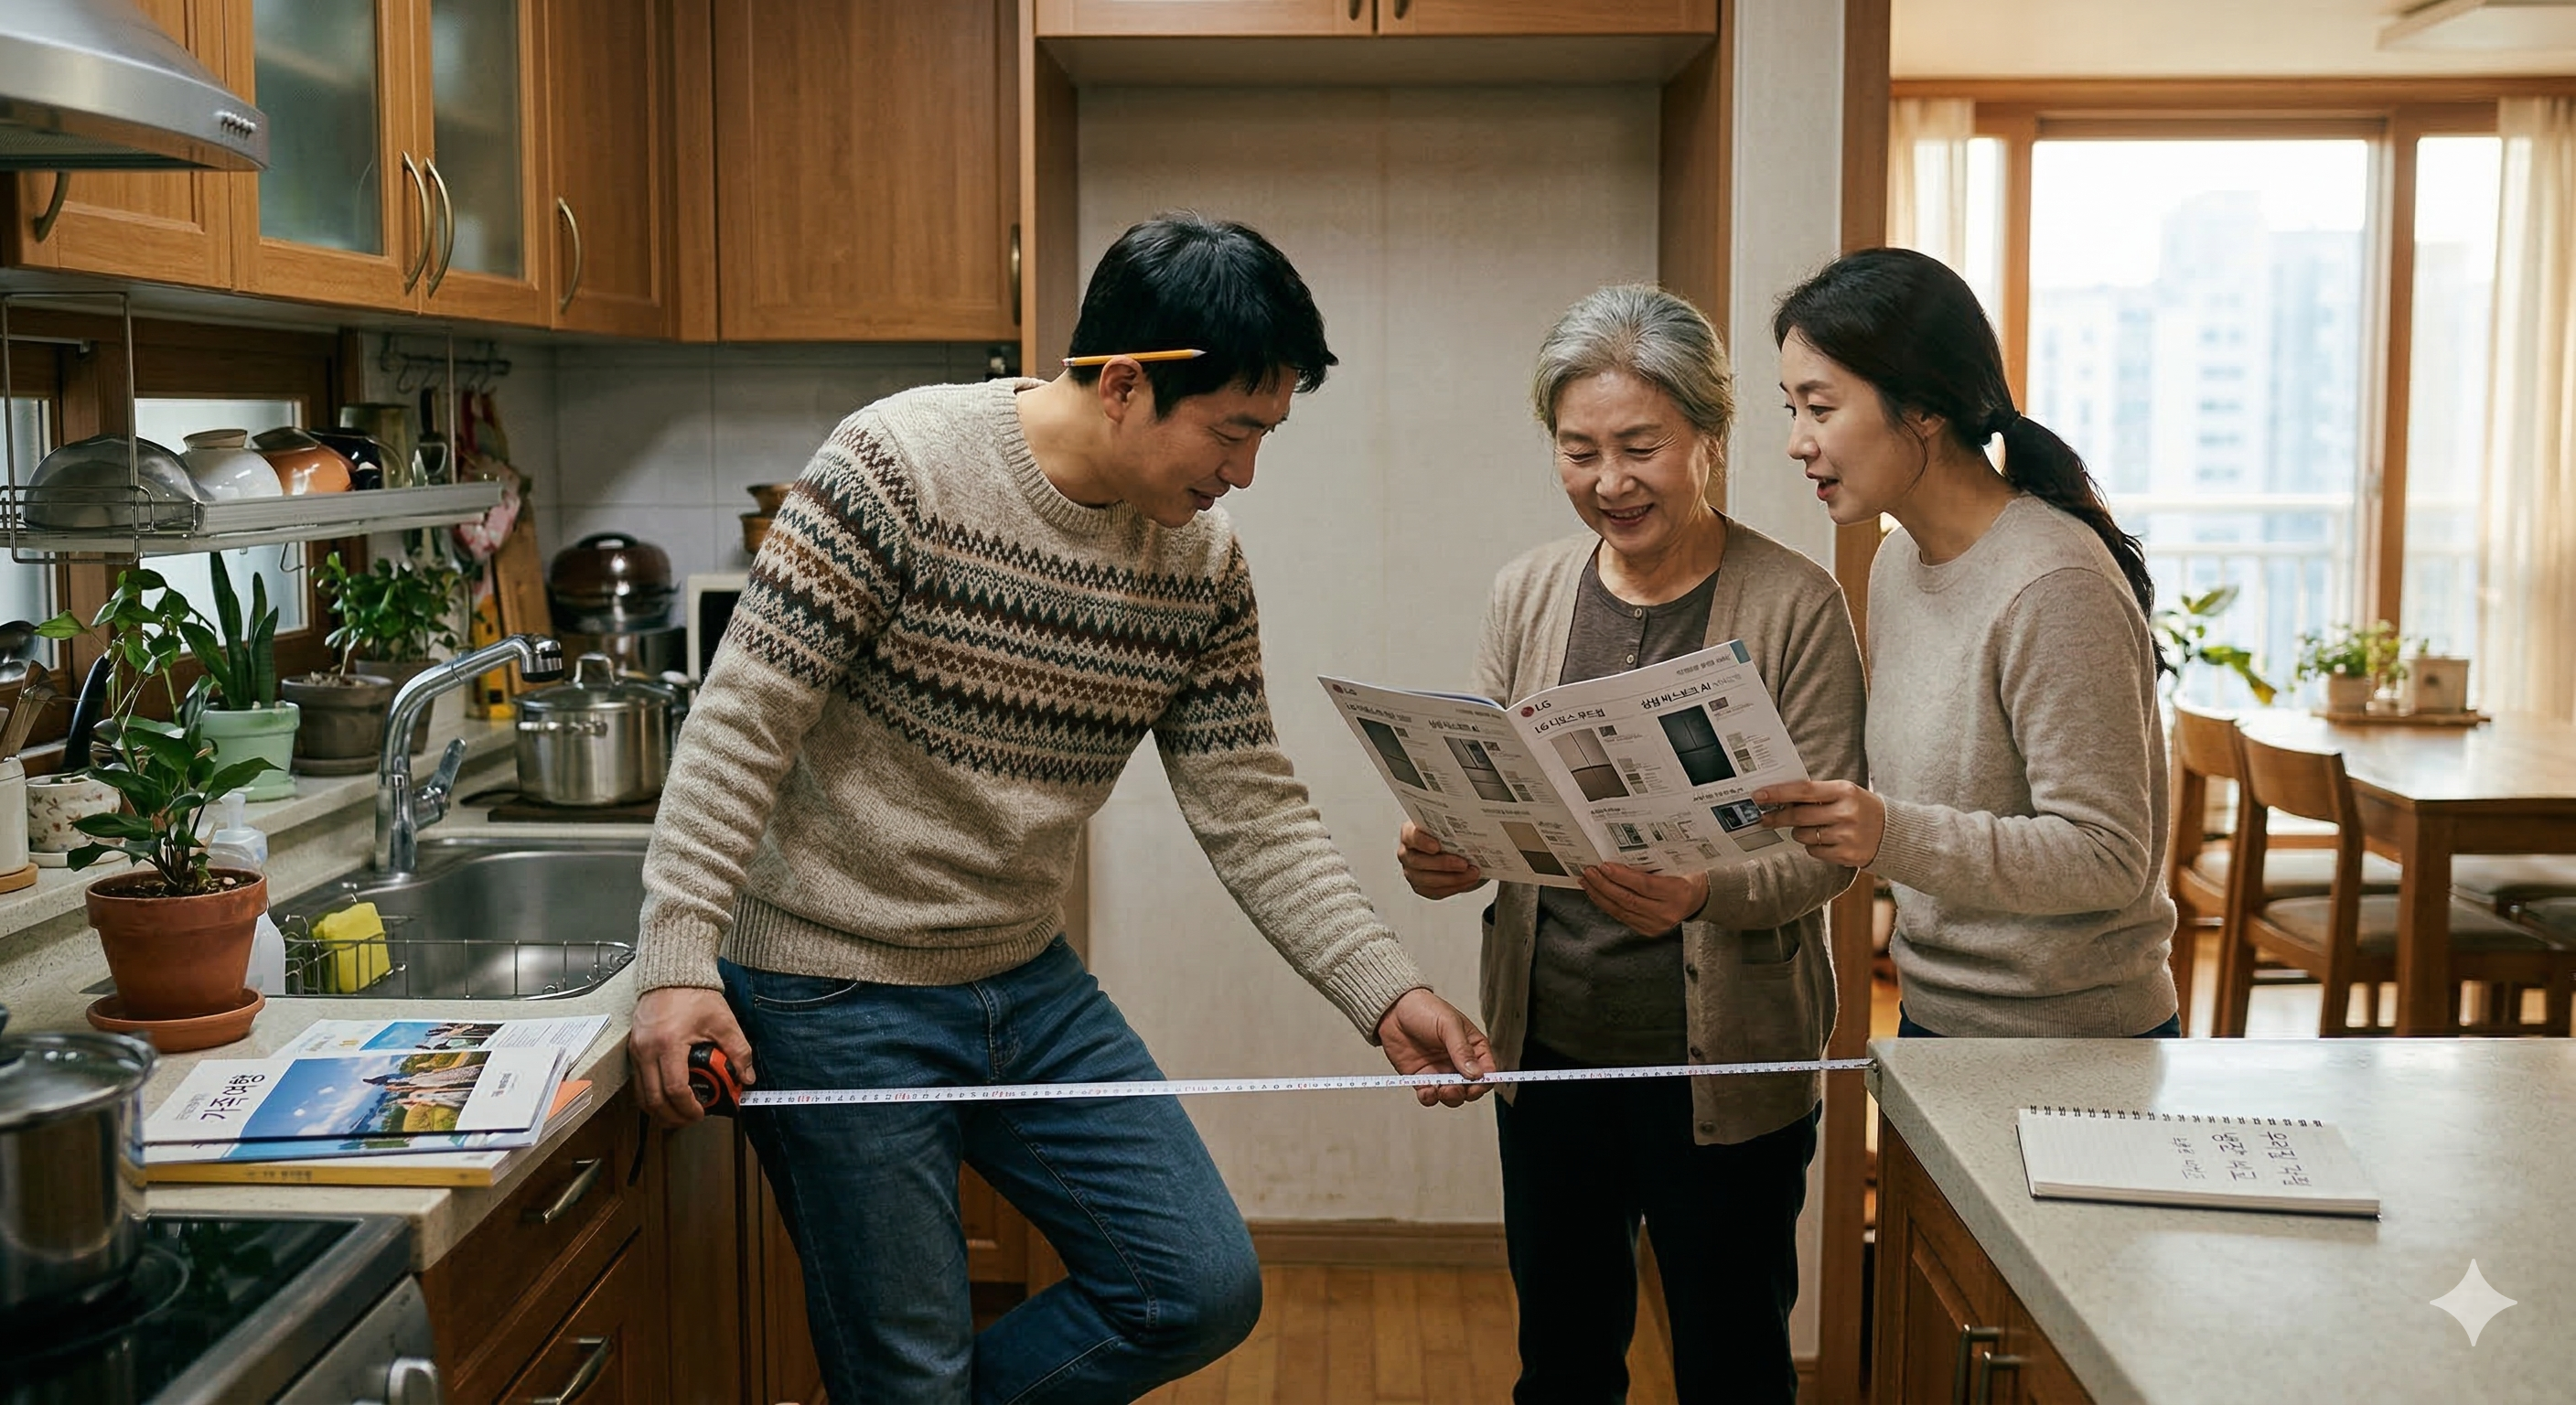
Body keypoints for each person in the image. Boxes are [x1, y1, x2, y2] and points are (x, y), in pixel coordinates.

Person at [626, 213, 1493, 1404]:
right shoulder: (899, 469)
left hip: (1022, 980)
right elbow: (742, 723)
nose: (1244, 472)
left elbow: (1252, 806)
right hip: (830, 987)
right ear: (1127, 386)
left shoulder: (1202, 567)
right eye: (1234, 432)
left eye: (1266, 437)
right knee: (908, 1376)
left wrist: (1387, 988)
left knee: (1197, 1286)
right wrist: (678, 960)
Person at [1396, 284, 1865, 1405]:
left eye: (1640, 446)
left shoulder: (1796, 604)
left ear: (1708, 435)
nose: (1608, 482)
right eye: (1578, 451)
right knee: (1559, 1358)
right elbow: (1495, 782)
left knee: (1732, 1360)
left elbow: (1830, 853)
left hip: (1724, 1061)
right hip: (1548, 1045)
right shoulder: (1526, 591)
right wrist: (1449, 845)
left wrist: (1702, 894)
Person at [1757, 246, 2180, 1039]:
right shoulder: (1896, 562)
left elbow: (2107, 855)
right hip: (1939, 1020)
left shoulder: (2054, 583)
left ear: (1922, 408)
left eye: (1820, 408)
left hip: (2076, 1046)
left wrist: (1888, 832)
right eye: (1793, 410)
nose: (1797, 442)